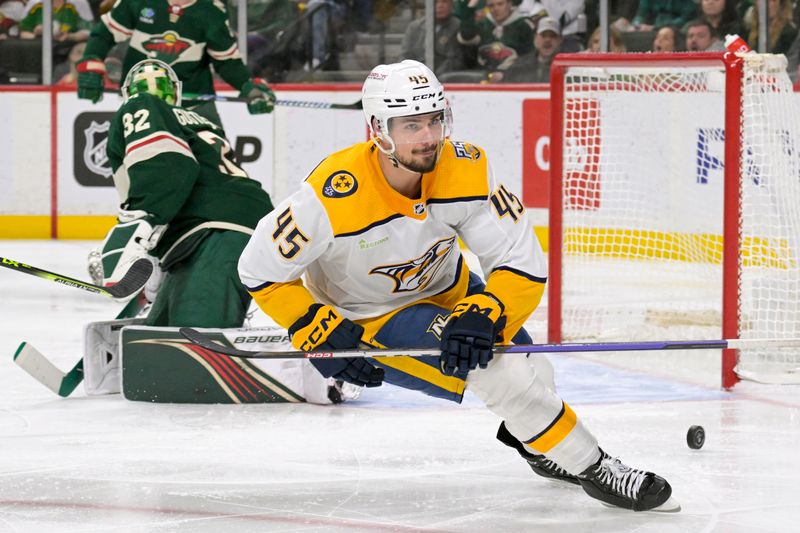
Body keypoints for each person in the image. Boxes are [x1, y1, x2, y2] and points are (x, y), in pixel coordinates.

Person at [237, 59, 680, 513]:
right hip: (373, 316)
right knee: (499, 373)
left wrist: (486, 307)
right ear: (376, 128)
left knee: (533, 367)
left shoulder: (467, 167)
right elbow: (257, 268)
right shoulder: (330, 196)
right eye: (411, 125)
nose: (428, 137)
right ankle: (598, 468)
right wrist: (313, 324)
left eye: (434, 120)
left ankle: (540, 449)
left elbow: (519, 261)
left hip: (450, 289)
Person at [90, 58, 274, 329]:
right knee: (161, 334)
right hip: (218, 230)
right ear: (176, 91)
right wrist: (157, 257)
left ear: (126, 92)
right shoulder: (200, 122)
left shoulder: (139, 105)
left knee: (195, 345)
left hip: (215, 231)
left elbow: (168, 167)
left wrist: (132, 233)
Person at [76, 0, 276, 127]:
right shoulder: (139, 2)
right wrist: (92, 64)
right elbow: (103, 35)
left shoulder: (211, 11)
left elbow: (226, 62)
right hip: (142, 105)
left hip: (194, 108)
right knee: (148, 179)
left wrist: (248, 87)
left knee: (217, 173)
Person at [457, 0, 535, 71]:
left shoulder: (523, 26)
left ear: (509, 4)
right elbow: (466, 35)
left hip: (514, 78)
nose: (496, 9)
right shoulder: (483, 25)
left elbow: (529, 58)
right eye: (491, 5)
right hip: (483, 78)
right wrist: (470, 7)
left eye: (500, 4)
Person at [490, 16, 562, 83]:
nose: (547, 40)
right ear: (535, 38)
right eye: (543, 35)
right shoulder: (520, 65)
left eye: (553, 36)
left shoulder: (567, 68)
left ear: (560, 40)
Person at [402, 0, 465, 75]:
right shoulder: (415, 28)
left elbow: (457, 60)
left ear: (451, 6)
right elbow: (405, 56)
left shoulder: (458, 27)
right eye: (435, 2)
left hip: (446, 79)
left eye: (444, 2)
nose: (440, 6)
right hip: (417, 78)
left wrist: (433, 77)